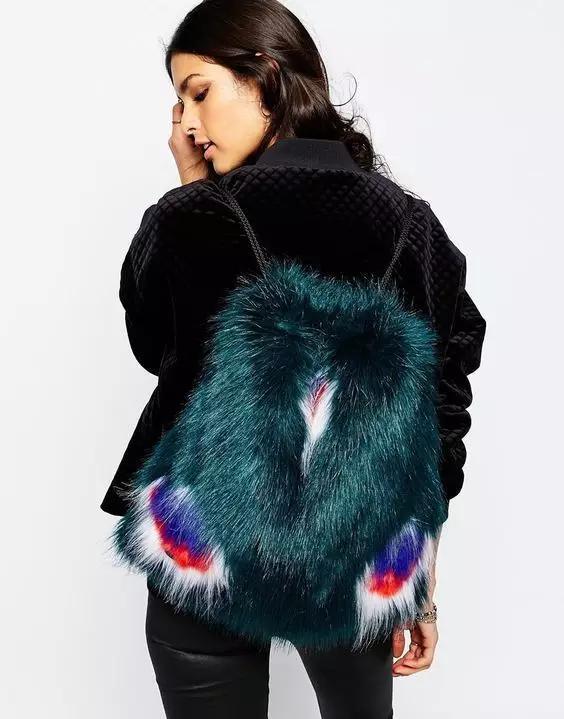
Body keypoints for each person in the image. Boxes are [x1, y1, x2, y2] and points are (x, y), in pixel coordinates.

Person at [100, 1, 486, 717]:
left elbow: (159, 348)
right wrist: (419, 579)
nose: (187, 124)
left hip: (205, 549)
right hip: (354, 552)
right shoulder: (413, 225)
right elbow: (441, 401)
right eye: (180, 102)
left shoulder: (191, 218)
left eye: (199, 93)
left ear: (267, 76)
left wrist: (192, 195)